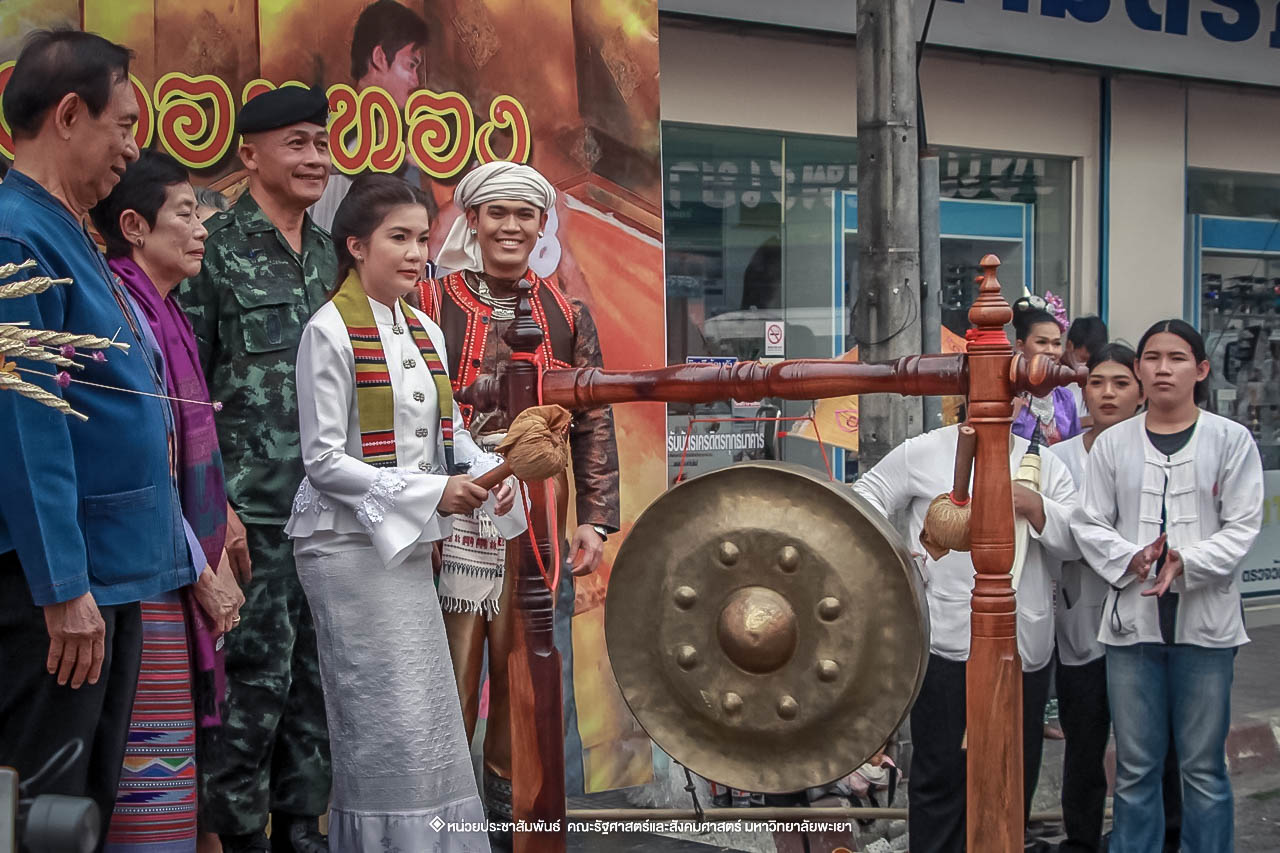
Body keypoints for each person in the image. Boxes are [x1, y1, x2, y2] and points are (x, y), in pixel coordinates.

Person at [0, 30, 201, 850]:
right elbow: (27, 424)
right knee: (45, 805)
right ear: (70, 114)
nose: (133, 147)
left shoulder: (68, 229)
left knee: (87, 810)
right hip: (59, 591)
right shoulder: (18, 235)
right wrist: (61, 586)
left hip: (108, 574)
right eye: (122, 124)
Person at [287, 173, 521, 852]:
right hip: (345, 547)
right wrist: (432, 494)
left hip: (405, 539)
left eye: (423, 237)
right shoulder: (328, 329)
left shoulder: (421, 327)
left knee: (426, 715)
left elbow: (448, 435)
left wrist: (489, 476)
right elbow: (324, 460)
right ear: (356, 245)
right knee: (384, 722)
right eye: (399, 237)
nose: (418, 251)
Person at [415, 160, 620, 822]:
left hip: (535, 523)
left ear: (541, 226)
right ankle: (441, 823)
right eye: (495, 213)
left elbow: (593, 418)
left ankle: (512, 823)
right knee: (446, 674)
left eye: (523, 214)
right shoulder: (428, 304)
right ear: (471, 221)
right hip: (448, 522)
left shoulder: (566, 312)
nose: (510, 226)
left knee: (525, 679)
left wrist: (596, 518)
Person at [177, 86, 336, 853]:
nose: (316, 159)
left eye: (323, 144)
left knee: (316, 696)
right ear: (251, 154)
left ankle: (302, 832)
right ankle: (236, 840)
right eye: (297, 143)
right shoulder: (212, 250)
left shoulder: (338, 255)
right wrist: (217, 510)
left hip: (331, 518)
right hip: (252, 522)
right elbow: (185, 390)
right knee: (247, 700)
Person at [90, 151, 247, 852]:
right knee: (147, 779)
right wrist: (200, 568)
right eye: (185, 213)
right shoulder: (121, 312)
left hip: (170, 566)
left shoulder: (165, 312)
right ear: (133, 225)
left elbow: (186, 450)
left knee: (176, 777)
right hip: (143, 574)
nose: (201, 229)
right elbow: (137, 462)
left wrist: (224, 524)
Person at [1074, 319, 1263, 853]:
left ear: (1200, 370)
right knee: (1134, 769)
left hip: (1207, 630)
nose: (1162, 367)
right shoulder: (1113, 444)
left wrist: (1186, 559)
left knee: (1204, 768)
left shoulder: (1231, 441)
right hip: (1131, 632)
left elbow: (1243, 526)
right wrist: (1133, 558)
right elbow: (1089, 522)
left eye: (1177, 358)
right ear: (1139, 369)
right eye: (1152, 357)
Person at [853, 420, 1078, 853]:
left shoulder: (1045, 466)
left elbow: (1074, 541)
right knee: (940, 774)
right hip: (945, 644)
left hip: (1021, 647)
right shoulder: (925, 450)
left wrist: (1035, 506)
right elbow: (867, 496)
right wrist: (902, 556)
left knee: (1012, 778)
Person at [309, 0, 431, 236]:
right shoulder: (326, 137)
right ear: (380, 57)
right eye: (411, 65)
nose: (415, 81)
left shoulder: (409, 145)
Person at [1012, 295, 1080, 445]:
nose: (1051, 351)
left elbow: (1074, 448)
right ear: (1020, 345)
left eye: (1056, 344)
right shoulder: (1008, 395)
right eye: (1041, 342)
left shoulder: (1065, 398)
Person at [1065, 315, 1108, 428]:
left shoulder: (1108, 383)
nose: (1087, 368)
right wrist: (1087, 421)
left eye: (1093, 362)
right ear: (1069, 346)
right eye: (1083, 359)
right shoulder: (1056, 382)